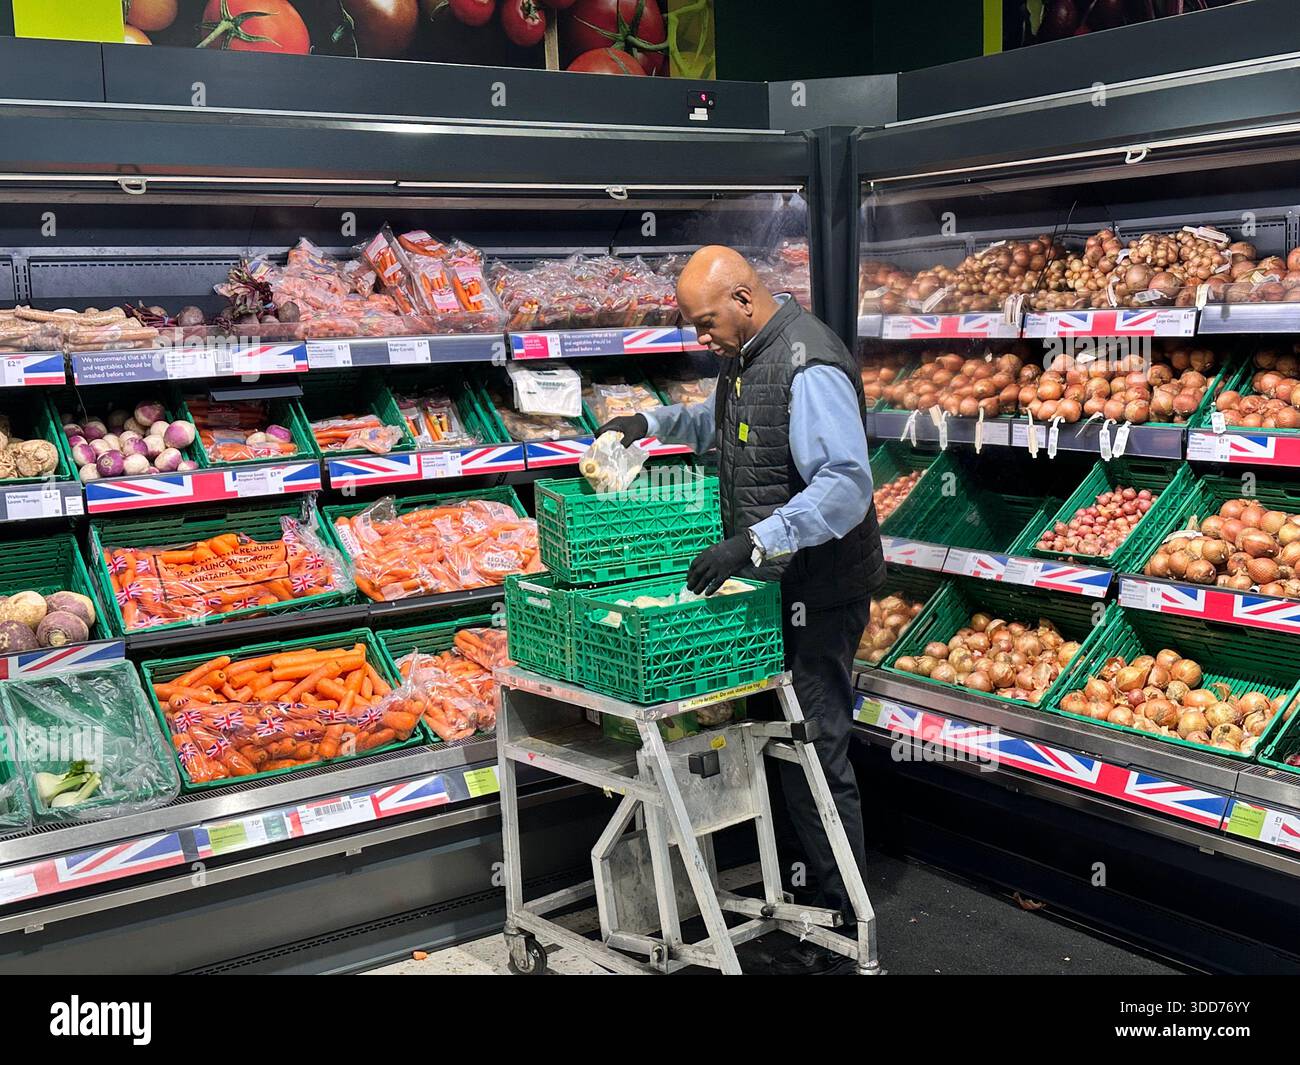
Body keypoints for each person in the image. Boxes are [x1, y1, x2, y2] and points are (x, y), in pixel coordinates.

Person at [597, 245, 886, 975]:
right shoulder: (752, 355)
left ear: (744, 301)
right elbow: (728, 429)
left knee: (817, 751)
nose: (700, 337)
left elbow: (846, 486)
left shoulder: (808, 362)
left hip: (817, 594)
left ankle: (847, 925)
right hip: (780, 589)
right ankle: (816, 905)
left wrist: (755, 542)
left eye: (704, 322)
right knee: (791, 749)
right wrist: (648, 421)